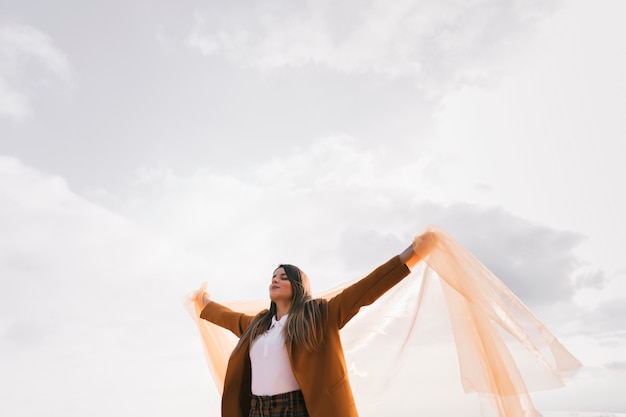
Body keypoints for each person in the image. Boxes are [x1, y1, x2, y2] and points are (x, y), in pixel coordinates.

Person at [195, 231, 438, 417]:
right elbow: (225, 316)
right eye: (273, 277)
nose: (275, 280)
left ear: (298, 287)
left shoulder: (319, 316)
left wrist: (411, 253)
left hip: (296, 409)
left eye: (283, 277)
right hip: (258, 411)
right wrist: (203, 300)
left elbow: (366, 289)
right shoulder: (258, 325)